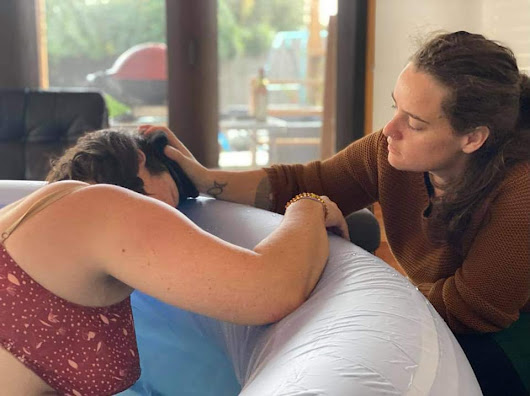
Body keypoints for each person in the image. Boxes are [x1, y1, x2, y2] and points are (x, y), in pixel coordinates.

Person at [151, 31, 530, 395]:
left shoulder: (520, 194)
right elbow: (306, 180)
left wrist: (341, 304)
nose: (389, 130)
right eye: (395, 106)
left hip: (505, 340)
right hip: (443, 310)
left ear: (473, 138)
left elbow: (466, 312)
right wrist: (203, 178)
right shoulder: (387, 151)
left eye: (414, 123)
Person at [0, 128, 349, 395]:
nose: (175, 220)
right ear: (140, 159)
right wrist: (306, 205)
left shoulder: (40, 216)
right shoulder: (103, 206)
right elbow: (274, 287)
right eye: (174, 198)